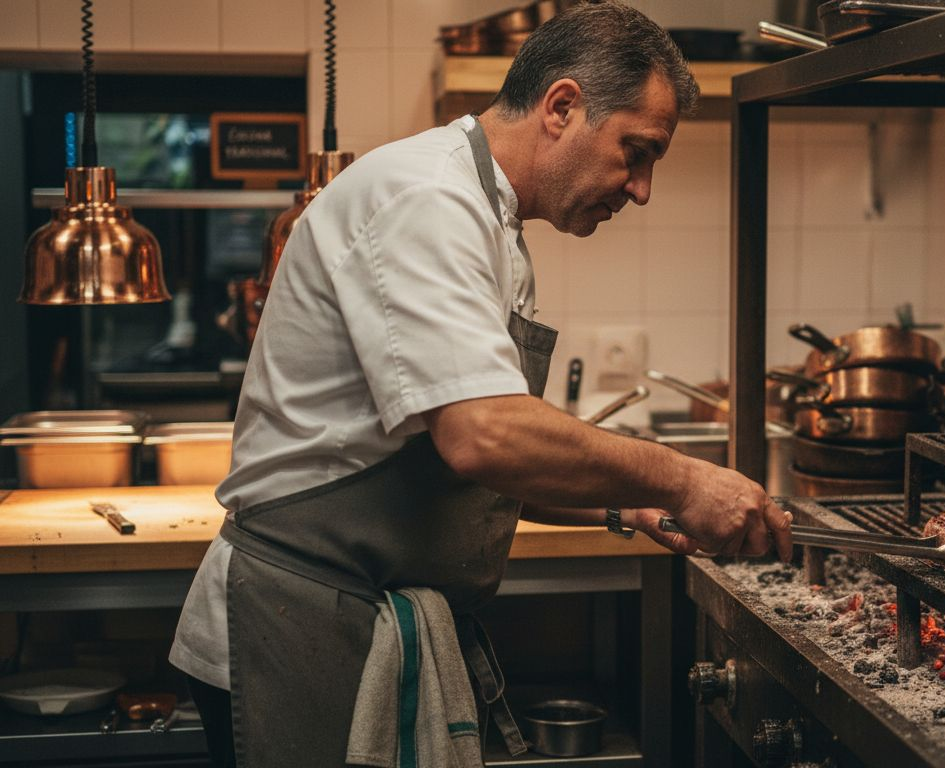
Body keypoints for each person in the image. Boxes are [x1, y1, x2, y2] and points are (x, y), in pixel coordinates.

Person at [168, 3, 792, 766]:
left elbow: (469, 461)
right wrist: (682, 476)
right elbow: (483, 434)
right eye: (637, 151)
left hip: (355, 614)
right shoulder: (426, 198)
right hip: (297, 627)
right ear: (562, 107)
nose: (641, 189)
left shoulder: (494, 222)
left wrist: (630, 503)